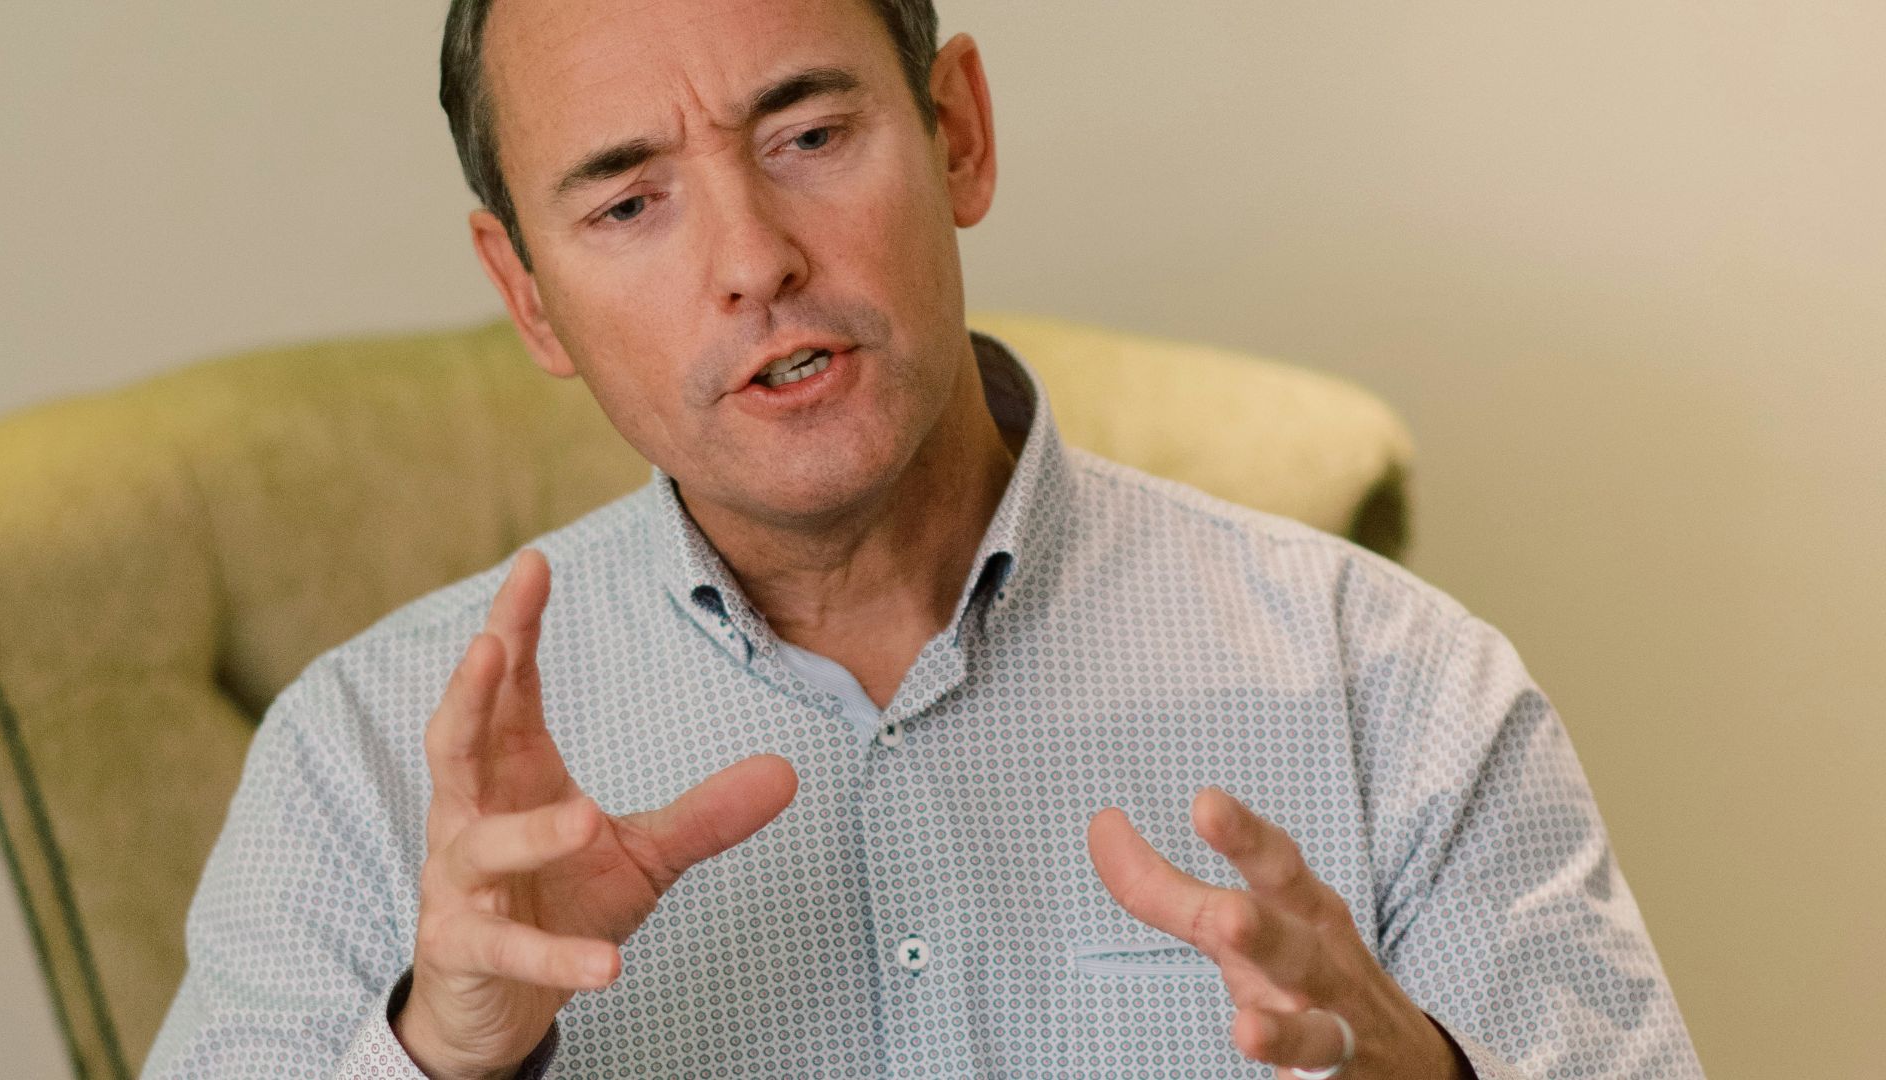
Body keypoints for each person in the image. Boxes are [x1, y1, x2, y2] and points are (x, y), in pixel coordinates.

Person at [144, 0, 1704, 1077]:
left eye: (809, 133)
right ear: (527, 292)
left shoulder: (1399, 690)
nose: (753, 260)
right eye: (629, 205)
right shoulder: (358, 760)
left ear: (955, 130)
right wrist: (446, 1052)